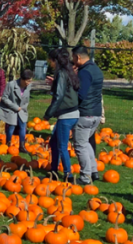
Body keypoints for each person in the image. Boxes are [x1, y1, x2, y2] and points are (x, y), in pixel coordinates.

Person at [44, 48, 80, 181]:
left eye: (51, 61)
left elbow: (59, 96)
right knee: (54, 142)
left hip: (67, 114)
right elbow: (66, 90)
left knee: (62, 146)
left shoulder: (61, 73)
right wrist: (54, 83)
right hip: (72, 113)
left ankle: (68, 175)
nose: (50, 64)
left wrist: (48, 114)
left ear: (55, 61)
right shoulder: (69, 72)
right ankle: (53, 170)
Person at [72, 45, 104, 184]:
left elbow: (81, 93)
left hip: (85, 113)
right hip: (96, 113)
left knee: (80, 146)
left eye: (73, 58)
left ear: (78, 57)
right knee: (86, 143)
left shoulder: (84, 72)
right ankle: (93, 171)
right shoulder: (96, 69)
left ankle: (85, 177)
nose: (73, 61)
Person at [0, 69, 33, 154]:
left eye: (30, 81)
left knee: (23, 127)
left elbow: (26, 99)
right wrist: (15, 107)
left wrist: (24, 107)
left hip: (22, 110)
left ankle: (22, 146)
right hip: (12, 109)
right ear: (22, 79)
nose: (29, 83)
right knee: (11, 127)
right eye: (27, 81)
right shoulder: (11, 85)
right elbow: (4, 97)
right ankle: (8, 144)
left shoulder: (29, 86)